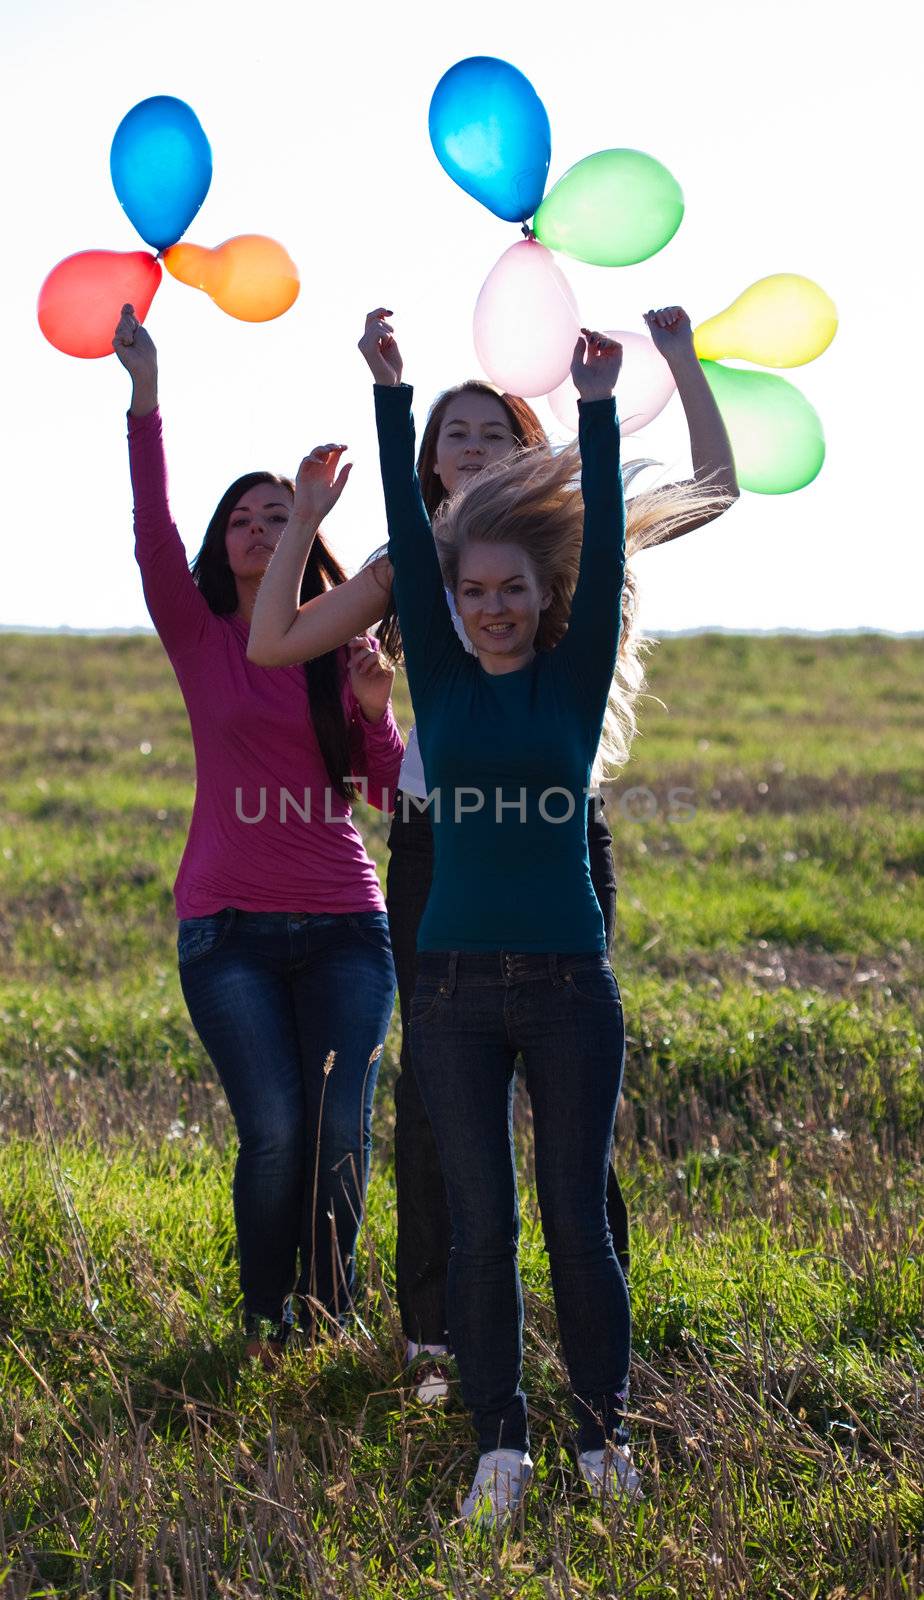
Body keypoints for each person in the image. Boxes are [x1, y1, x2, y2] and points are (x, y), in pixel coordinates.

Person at [247, 308, 738, 1404]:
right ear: (427, 462)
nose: (467, 447)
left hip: (560, 842)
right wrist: (307, 520)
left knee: (575, 1114)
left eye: (489, 432)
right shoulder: (411, 563)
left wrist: (687, 367)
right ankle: (437, 1338)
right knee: (435, 1101)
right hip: (437, 847)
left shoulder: (563, 543)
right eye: (449, 435)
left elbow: (709, 487)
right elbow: (275, 641)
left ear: (526, 450)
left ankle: (588, 1340)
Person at [112, 304, 403, 1366]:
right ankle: (263, 1319)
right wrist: (146, 397)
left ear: (306, 537)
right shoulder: (200, 636)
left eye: (281, 514)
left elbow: (384, 790)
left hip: (343, 928)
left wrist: (373, 707)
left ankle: (329, 1322)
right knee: (276, 1129)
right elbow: (151, 528)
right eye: (243, 515)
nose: (260, 527)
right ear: (222, 543)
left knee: (337, 1130)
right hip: (226, 928)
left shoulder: (341, 643)